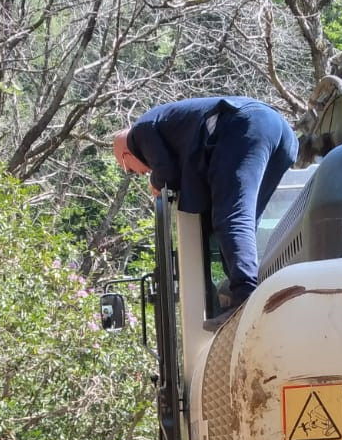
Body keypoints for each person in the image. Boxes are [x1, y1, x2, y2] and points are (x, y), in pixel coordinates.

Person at [113, 96, 298, 309]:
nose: (141, 173)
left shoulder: (140, 132)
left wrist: (156, 182)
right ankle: (246, 290)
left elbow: (168, 174)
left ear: (126, 156)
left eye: (130, 171)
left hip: (244, 126)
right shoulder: (166, 126)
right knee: (245, 219)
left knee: (232, 217)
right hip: (280, 133)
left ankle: (247, 300)